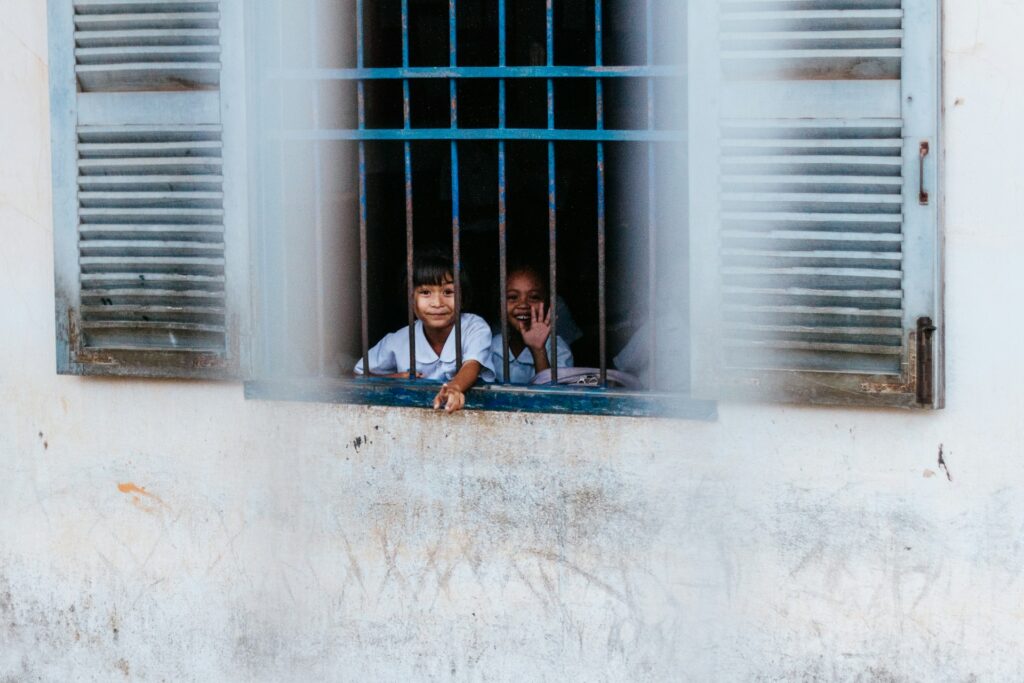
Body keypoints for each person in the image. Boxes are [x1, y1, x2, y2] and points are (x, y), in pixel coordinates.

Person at [354, 251, 495, 412]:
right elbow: (358, 374)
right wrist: (394, 378)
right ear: (411, 299)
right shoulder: (399, 340)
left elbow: (472, 364)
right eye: (425, 292)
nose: (437, 303)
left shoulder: (474, 327)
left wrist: (454, 388)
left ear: (463, 297)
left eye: (448, 292)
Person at [489, 264, 573, 384]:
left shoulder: (557, 348)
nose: (523, 305)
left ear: (547, 305)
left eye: (534, 297)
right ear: (500, 307)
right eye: (513, 297)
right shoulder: (493, 346)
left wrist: (538, 350)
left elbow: (553, 399)